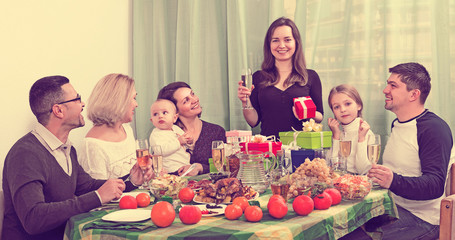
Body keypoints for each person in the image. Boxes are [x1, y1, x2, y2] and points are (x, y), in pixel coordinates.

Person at [2, 76, 145, 240]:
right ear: (59, 110)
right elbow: (33, 218)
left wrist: (130, 182)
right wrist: (97, 197)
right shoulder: (25, 154)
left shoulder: (67, 149)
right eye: (77, 99)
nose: (83, 104)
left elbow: (86, 186)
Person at [367, 63, 453, 239]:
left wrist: (393, 180)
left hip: (423, 220)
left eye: (393, 85)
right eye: (387, 84)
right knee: (341, 230)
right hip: (392, 208)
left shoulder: (433, 128)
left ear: (414, 94)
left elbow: (435, 185)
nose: (385, 90)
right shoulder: (397, 123)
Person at [237, 17, 323, 140]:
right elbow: (253, 121)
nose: (281, 45)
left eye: (287, 40)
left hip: (301, 149)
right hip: (269, 148)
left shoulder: (311, 76)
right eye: (275, 40)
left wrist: (305, 111)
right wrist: (245, 102)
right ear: (269, 45)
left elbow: (320, 115)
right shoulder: (258, 77)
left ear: (296, 43)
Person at [78, 73, 142, 180]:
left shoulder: (126, 129)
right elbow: (98, 192)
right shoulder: (92, 146)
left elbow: (136, 174)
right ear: (119, 101)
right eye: (133, 98)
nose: (136, 104)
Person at [157, 82, 226, 175]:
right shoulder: (165, 135)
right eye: (186, 101)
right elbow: (161, 169)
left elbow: (225, 167)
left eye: (192, 94)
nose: (194, 100)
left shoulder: (216, 131)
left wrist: (200, 167)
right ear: (174, 110)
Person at [327, 84, 375, 175]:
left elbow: (363, 170)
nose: (343, 109)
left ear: (359, 105)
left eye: (347, 104)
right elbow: (333, 167)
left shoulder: (366, 133)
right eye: (337, 107)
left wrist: (361, 139)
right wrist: (336, 136)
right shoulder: (338, 133)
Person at [149, 99, 192, 174]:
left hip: (185, 166)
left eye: (164, 113)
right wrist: (178, 142)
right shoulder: (156, 134)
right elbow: (159, 151)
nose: (160, 116)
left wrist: (189, 141)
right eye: (155, 114)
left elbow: (185, 141)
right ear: (152, 121)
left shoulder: (176, 129)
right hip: (171, 170)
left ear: (175, 118)